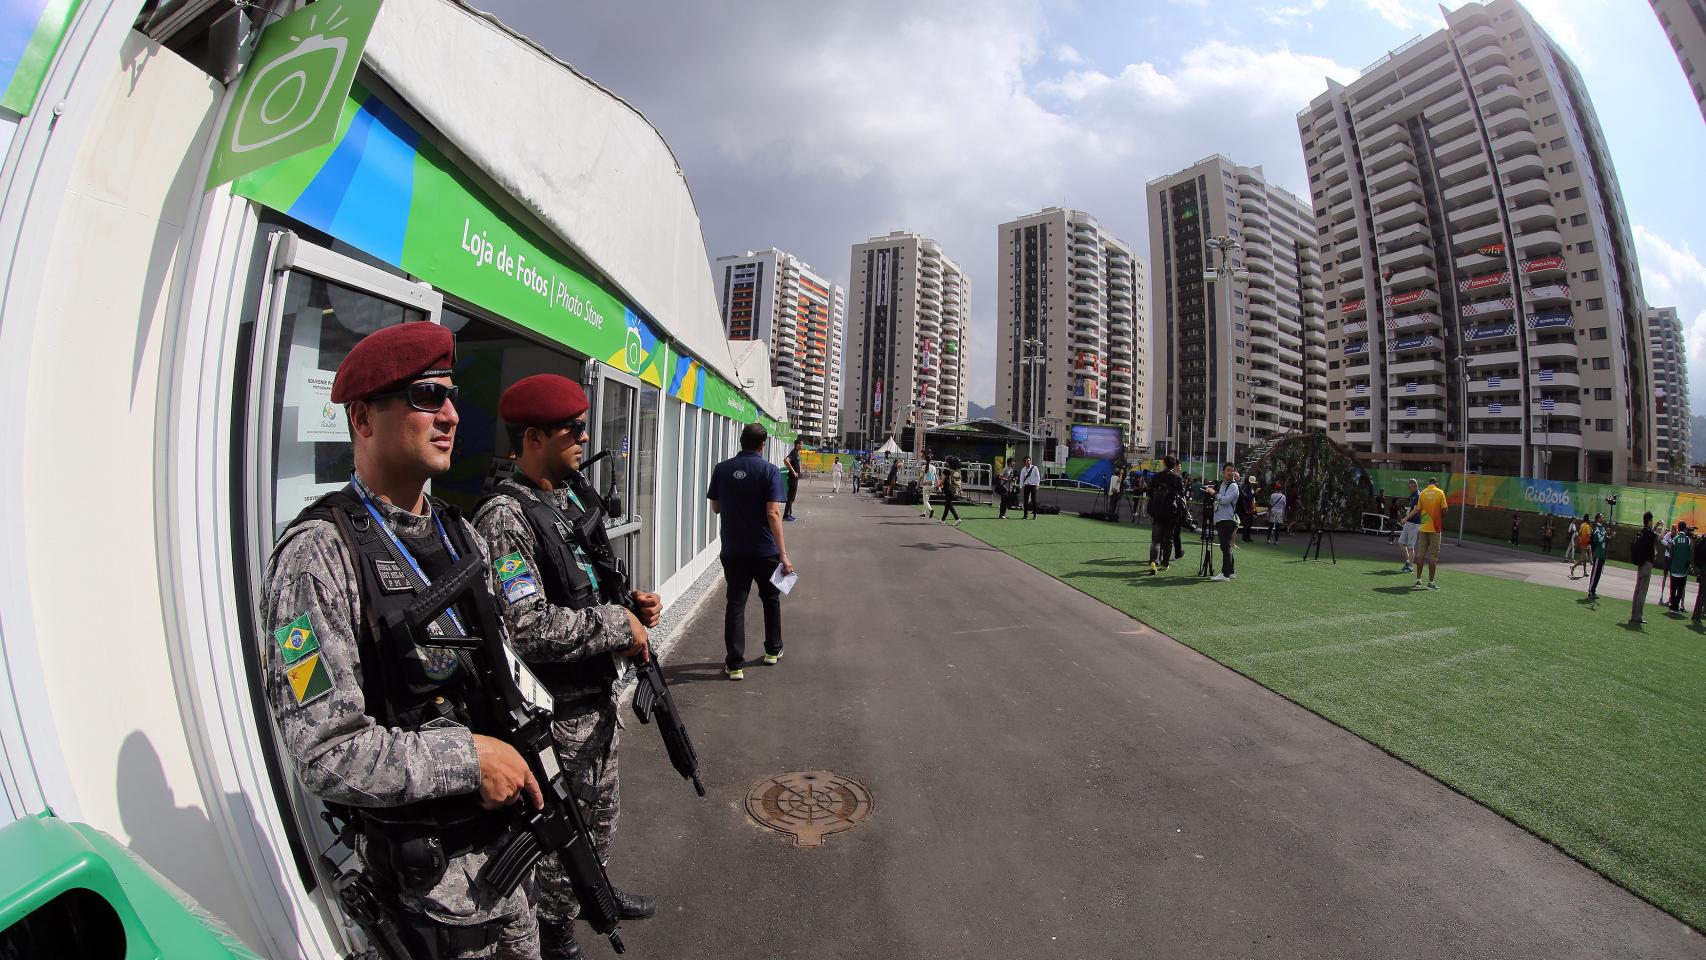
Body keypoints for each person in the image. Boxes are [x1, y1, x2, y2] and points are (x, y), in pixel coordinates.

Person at [258, 323, 544, 959]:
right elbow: (325, 752)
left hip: (508, 864)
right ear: (362, 417)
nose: (450, 415)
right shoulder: (316, 559)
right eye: (425, 396)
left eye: (450, 397)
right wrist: (471, 759)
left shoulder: (459, 534)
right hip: (431, 905)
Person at [474, 374, 662, 958]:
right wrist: (616, 626)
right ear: (532, 438)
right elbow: (525, 626)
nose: (583, 437)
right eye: (571, 429)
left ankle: (595, 893)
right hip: (555, 718)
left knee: (600, 819)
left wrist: (631, 607)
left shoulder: (565, 500)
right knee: (563, 837)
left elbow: (584, 590)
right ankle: (557, 936)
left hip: (593, 703)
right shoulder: (505, 518)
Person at [708, 422, 793, 680]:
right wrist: (784, 554)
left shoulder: (722, 469)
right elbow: (773, 513)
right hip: (765, 550)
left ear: (741, 441)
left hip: (733, 549)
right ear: (762, 445)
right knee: (770, 599)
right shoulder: (770, 471)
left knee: (735, 604)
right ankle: (773, 650)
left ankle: (735, 664)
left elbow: (716, 508)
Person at [1146, 456, 1185, 575]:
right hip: (1171, 513)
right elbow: (1182, 494)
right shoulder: (1177, 478)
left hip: (1158, 512)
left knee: (1155, 540)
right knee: (1168, 540)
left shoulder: (1156, 476)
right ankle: (1165, 563)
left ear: (1164, 463)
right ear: (1174, 465)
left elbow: (1150, 492)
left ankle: (1154, 561)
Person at [1414, 476, 1448, 590]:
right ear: (1436, 483)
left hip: (1424, 528)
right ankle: (1430, 582)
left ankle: (1418, 580)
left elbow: (1418, 511)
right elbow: (1445, 509)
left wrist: (1424, 520)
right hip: (1435, 529)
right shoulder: (1440, 493)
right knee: (1433, 556)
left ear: (1428, 483)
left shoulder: (1423, 493)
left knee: (1420, 555)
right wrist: (1440, 518)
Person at [1209, 464, 1240, 581]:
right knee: (1226, 547)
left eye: (1232, 471)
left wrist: (1214, 493)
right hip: (1221, 518)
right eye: (1228, 470)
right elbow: (1220, 500)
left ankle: (1225, 574)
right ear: (1223, 472)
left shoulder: (1233, 486)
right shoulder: (1223, 484)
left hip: (1227, 519)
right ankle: (1231, 572)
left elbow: (1225, 500)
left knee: (1225, 547)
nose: (1230, 472)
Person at [1630, 512, 1658, 627]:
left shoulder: (1643, 532)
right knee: (1642, 591)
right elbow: (1658, 537)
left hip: (1641, 564)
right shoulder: (1649, 533)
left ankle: (1634, 614)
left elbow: (1651, 535)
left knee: (1637, 591)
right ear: (1649, 521)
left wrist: (1655, 527)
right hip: (1647, 564)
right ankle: (1638, 616)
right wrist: (1662, 528)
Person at [1667, 522, 1693, 614]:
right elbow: (1690, 553)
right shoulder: (1688, 540)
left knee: (1673, 589)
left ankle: (1672, 606)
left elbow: (1671, 554)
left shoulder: (1675, 539)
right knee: (1680, 590)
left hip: (1674, 569)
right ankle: (1676, 606)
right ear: (1685, 529)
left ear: (1678, 528)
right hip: (1683, 570)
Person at [1586, 513, 1612, 602]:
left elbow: (1605, 539)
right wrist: (1606, 534)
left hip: (1602, 555)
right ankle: (1590, 590)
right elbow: (1600, 539)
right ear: (1597, 519)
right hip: (1598, 554)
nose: (1603, 518)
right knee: (1595, 574)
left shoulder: (1602, 528)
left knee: (1598, 575)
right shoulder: (1597, 529)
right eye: (1601, 517)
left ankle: (1593, 591)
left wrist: (1609, 536)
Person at [1397, 478, 1421, 573]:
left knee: (1411, 547)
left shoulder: (1418, 495)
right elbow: (1412, 509)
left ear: (1414, 486)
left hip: (1414, 524)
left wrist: (1405, 518)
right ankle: (1408, 561)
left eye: (1410, 487)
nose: (1408, 488)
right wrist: (1407, 511)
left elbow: (1416, 510)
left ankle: (1410, 566)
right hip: (1409, 523)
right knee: (1401, 543)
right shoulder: (1413, 495)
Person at [936, 458, 963, 526]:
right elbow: (959, 480)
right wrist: (960, 490)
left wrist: (937, 486)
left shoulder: (946, 471)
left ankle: (957, 518)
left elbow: (942, 481)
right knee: (947, 504)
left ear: (948, 463)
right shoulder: (956, 471)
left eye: (946, 461)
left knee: (949, 504)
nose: (945, 462)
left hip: (947, 489)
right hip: (954, 489)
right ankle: (943, 519)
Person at [783, 439, 803, 521]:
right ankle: (786, 515)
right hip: (792, 478)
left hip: (795, 478)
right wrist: (793, 471)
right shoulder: (794, 452)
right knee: (791, 497)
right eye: (801, 444)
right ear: (797, 444)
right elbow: (786, 460)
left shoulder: (796, 453)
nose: (802, 446)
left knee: (792, 497)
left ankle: (789, 514)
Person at [1572, 516, 1594, 582]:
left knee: (1584, 558)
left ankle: (1584, 572)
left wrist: (1577, 542)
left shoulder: (1583, 525)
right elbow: (1588, 536)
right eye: (1591, 522)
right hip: (1585, 544)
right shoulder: (1587, 527)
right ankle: (1573, 567)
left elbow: (1580, 534)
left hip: (1583, 543)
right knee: (1583, 558)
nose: (1592, 523)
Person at [1237, 475, 1257, 542]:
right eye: (1252, 483)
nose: (1253, 484)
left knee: (1249, 523)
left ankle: (1247, 537)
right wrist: (1255, 493)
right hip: (1246, 508)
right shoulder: (1246, 487)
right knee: (1247, 523)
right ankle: (1245, 538)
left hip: (1249, 507)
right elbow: (1248, 497)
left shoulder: (1249, 487)